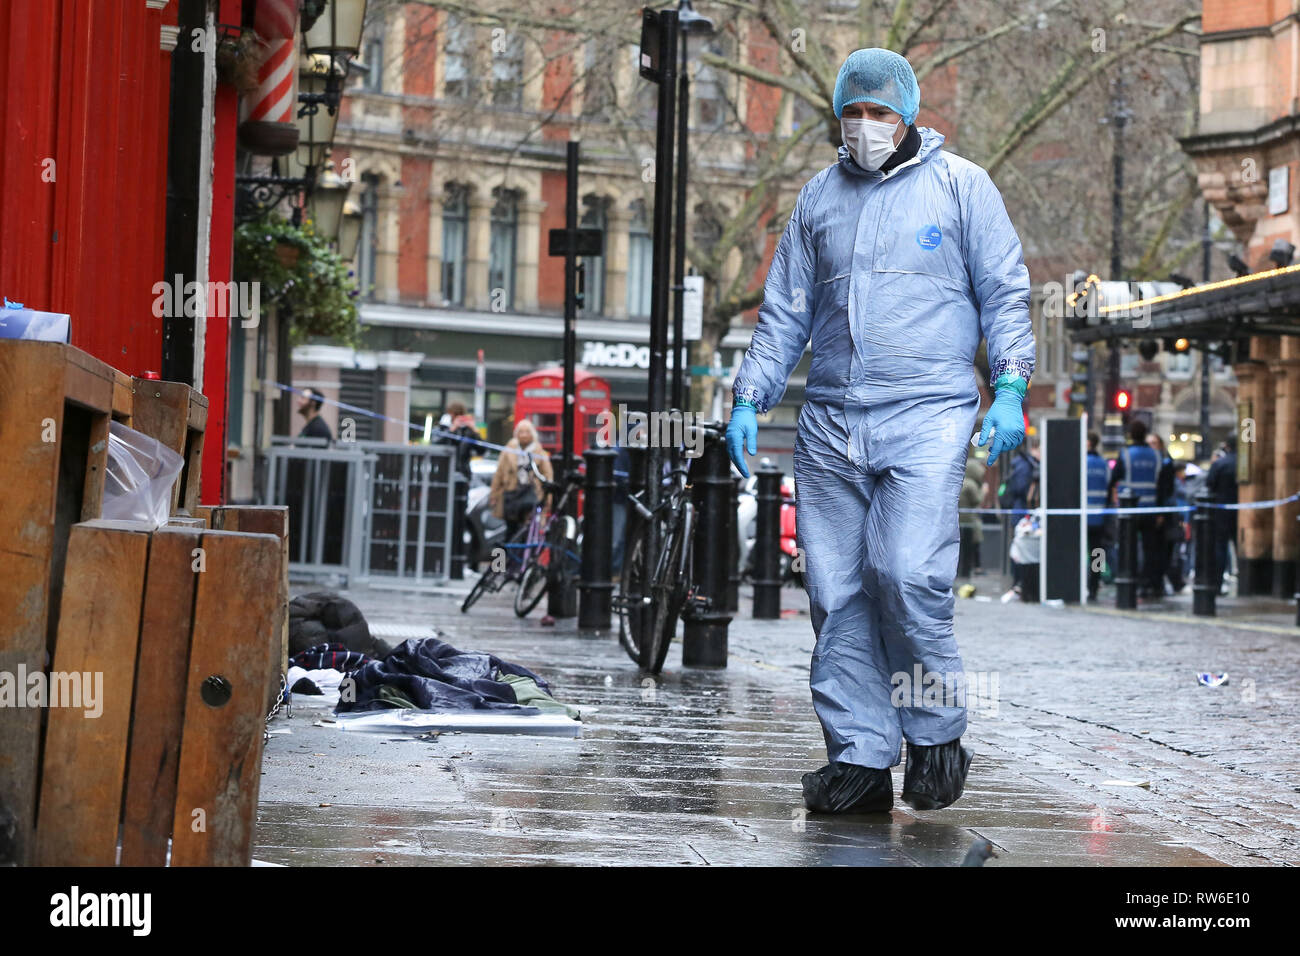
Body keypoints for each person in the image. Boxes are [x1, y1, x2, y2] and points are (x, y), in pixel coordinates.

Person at [724, 49, 1035, 814]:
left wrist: (1010, 387)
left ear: (908, 115)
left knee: (906, 573)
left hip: (927, 410)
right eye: (852, 113)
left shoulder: (963, 187)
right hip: (830, 417)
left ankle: (934, 734)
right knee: (836, 592)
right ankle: (860, 754)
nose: (865, 126)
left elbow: (1004, 291)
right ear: (838, 115)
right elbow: (786, 310)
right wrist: (749, 396)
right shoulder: (817, 201)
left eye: (879, 113)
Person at [1108, 419, 1162, 598]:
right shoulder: (1156, 456)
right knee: (1150, 549)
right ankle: (1147, 584)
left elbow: (1114, 478)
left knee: (1128, 547)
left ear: (1130, 434)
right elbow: (1161, 485)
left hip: (1129, 510)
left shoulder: (1125, 454)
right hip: (1150, 509)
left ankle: (1129, 580)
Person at [489, 419, 554, 547]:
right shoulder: (509, 450)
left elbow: (548, 476)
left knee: (528, 531)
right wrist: (494, 495)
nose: (524, 435)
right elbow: (499, 474)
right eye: (521, 432)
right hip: (511, 495)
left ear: (532, 434)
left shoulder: (539, 452)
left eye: (527, 432)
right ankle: (507, 562)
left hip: (532, 495)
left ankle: (523, 561)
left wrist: (548, 499)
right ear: (516, 434)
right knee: (510, 531)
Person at [1147, 432, 1185, 594]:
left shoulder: (1166, 463)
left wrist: (1161, 513)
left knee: (1165, 551)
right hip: (1148, 513)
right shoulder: (1148, 463)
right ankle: (1151, 582)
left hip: (1165, 516)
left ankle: (1160, 582)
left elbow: (1167, 490)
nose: (1151, 446)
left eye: (1154, 443)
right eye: (1149, 443)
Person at [1205, 436, 1239, 596]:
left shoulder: (1219, 464)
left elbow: (1208, 485)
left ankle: (1216, 584)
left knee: (1220, 548)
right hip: (1241, 512)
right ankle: (1244, 586)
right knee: (1241, 548)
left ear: (1226, 446)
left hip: (1220, 512)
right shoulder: (1244, 464)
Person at [1085, 431, 1109, 601]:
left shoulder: (1080, 462)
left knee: (1080, 552)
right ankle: (1095, 585)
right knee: (1097, 552)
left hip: (1081, 516)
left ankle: (1081, 583)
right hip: (1099, 516)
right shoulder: (1104, 464)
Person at [957, 456, 985, 578]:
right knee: (969, 548)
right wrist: (984, 492)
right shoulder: (971, 484)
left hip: (957, 522)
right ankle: (966, 572)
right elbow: (977, 500)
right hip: (968, 522)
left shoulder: (959, 481)